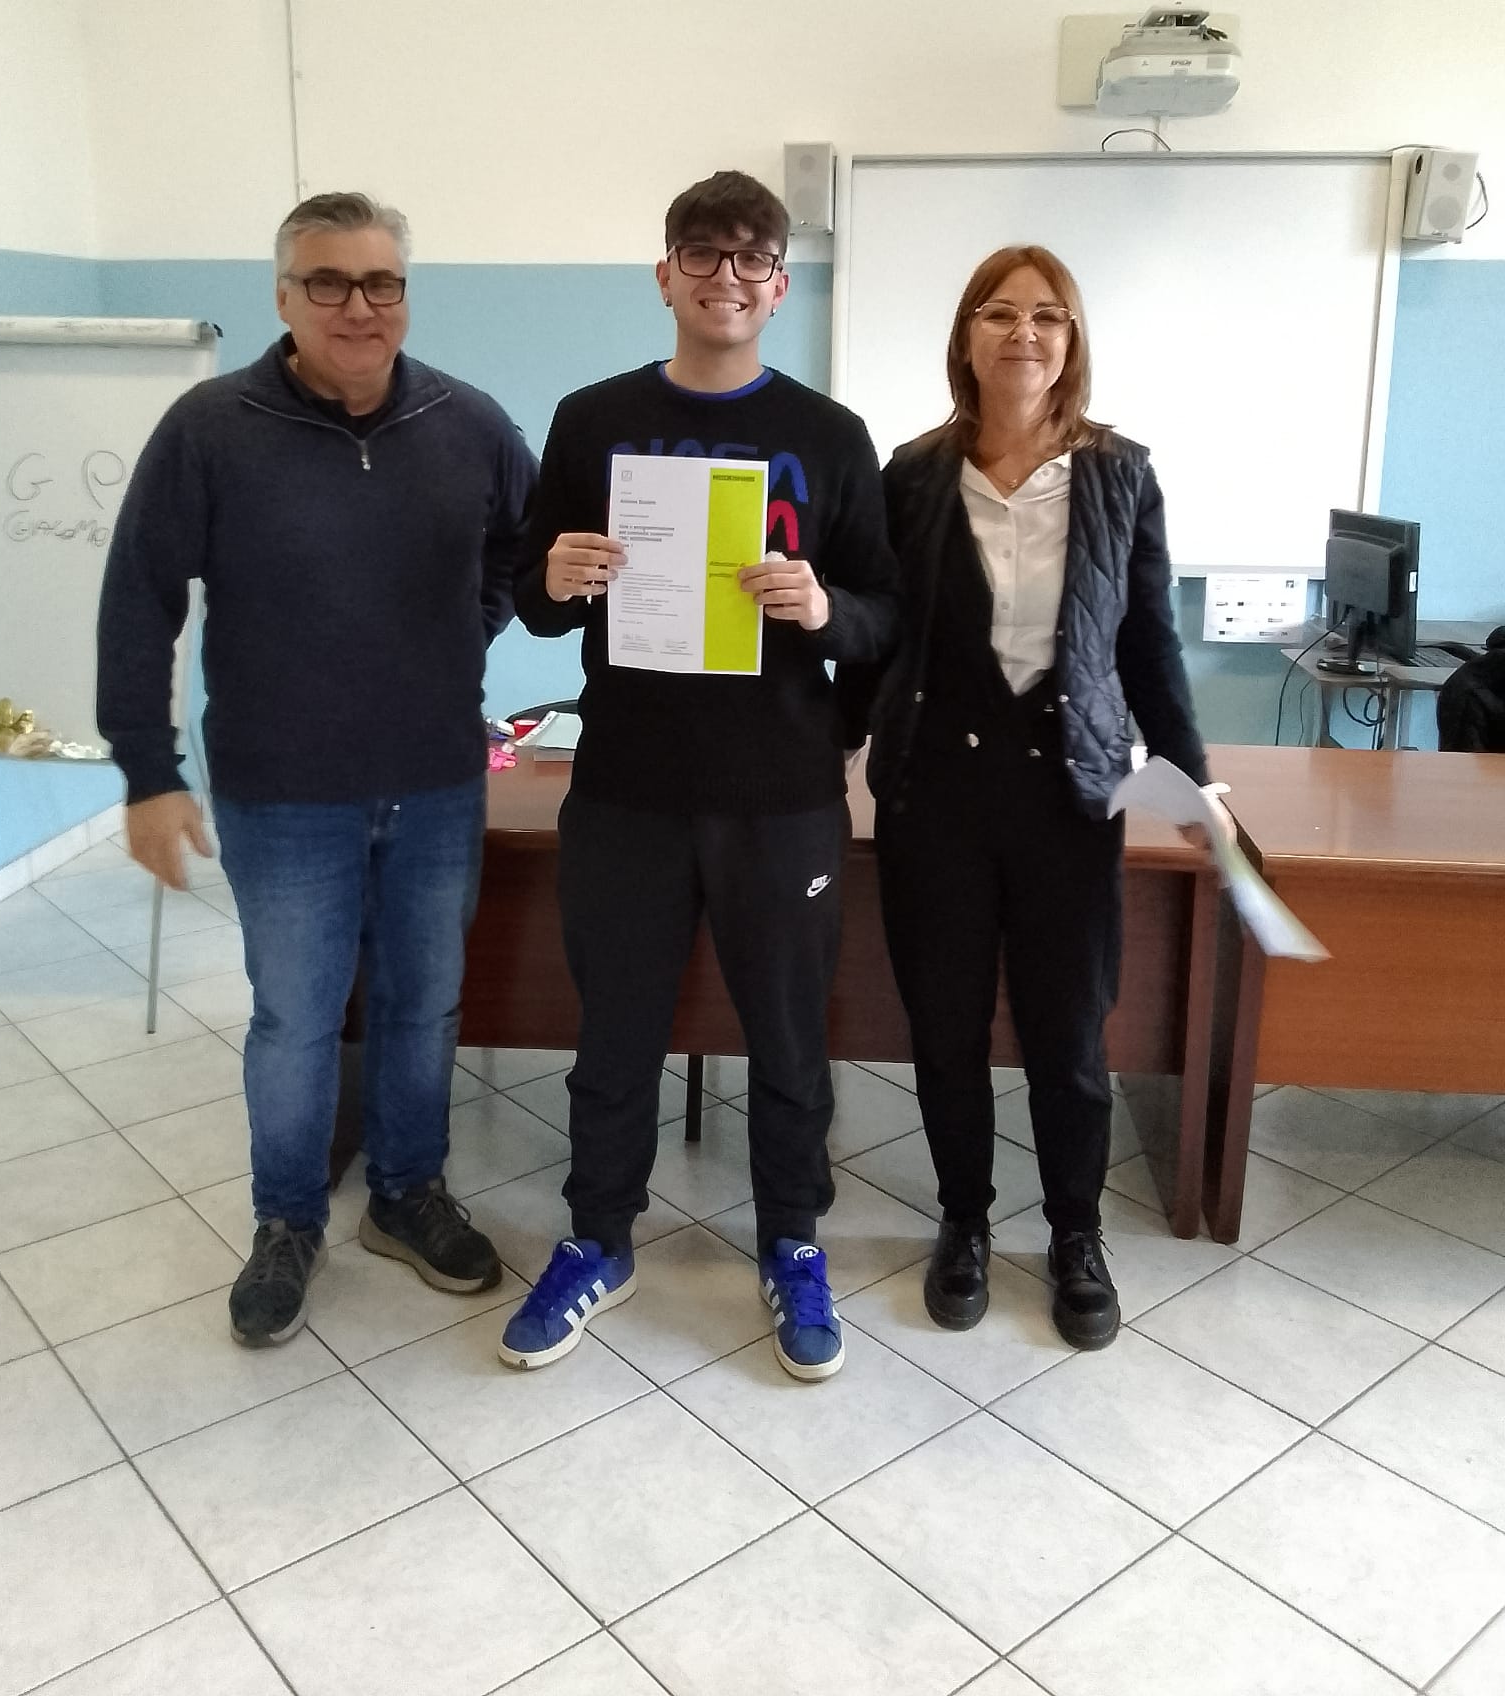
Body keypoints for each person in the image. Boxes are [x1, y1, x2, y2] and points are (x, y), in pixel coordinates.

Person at [97, 191, 538, 1347]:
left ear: (405, 294)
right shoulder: (211, 427)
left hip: (435, 782)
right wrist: (147, 770)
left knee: (422, 1002)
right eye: (329, 281)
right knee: (295, 1017)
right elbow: (140, 596)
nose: (358, 305)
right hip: (282, 792)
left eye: (381, 281)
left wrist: (473, 623)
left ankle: (406, 1193)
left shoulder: (469, 421)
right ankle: (288, 1220)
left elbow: (525, 545)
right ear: (285, 296)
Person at [497, 170, 898, 1381]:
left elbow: (885, 617)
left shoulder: (830, 435)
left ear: (781, 285)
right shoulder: (591, 418)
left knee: (789, 1036)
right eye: (703, 252)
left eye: (751, 256)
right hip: (627, 786)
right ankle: (597, 1237)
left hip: (781, 795)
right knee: (613, 1029)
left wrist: (824, 608)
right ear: (664, 273)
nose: (727, 274)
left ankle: (792, 1240)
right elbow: (532, 596)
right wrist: (554, 575)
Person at [843, 244, 1228, 1352]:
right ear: (966, 336)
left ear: (1072, 341)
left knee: (1069, 1034)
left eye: (1047, 316)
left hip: (1069, 795)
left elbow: (1147, 643)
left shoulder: (1120, 475)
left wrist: (1193, 774)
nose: (1024, 333)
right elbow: (883, 636)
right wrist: (824, 743)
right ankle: (963, 1221)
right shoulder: (913, 475)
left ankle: (1075, 1234)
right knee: (946, 1025)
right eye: (1000, 313)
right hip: (936, 795)